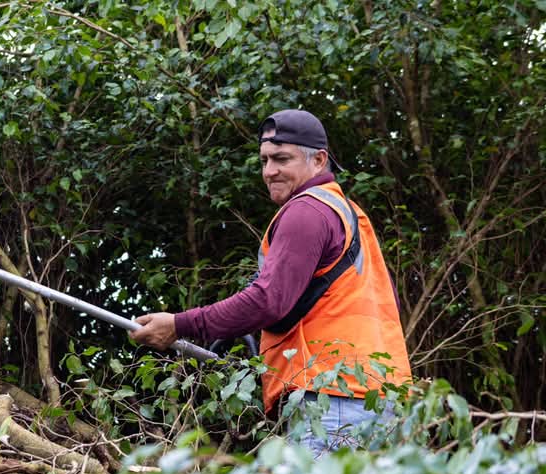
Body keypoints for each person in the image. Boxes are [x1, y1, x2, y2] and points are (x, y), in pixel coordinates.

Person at [130, 109, 412, 454]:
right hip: (379, 400)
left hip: (331, 399)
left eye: (281, 159)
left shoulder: (307, 211)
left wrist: (179, 325)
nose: (269, 171)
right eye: (264, 160)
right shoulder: (346, 212)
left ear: (319, 160)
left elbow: (267, 301)